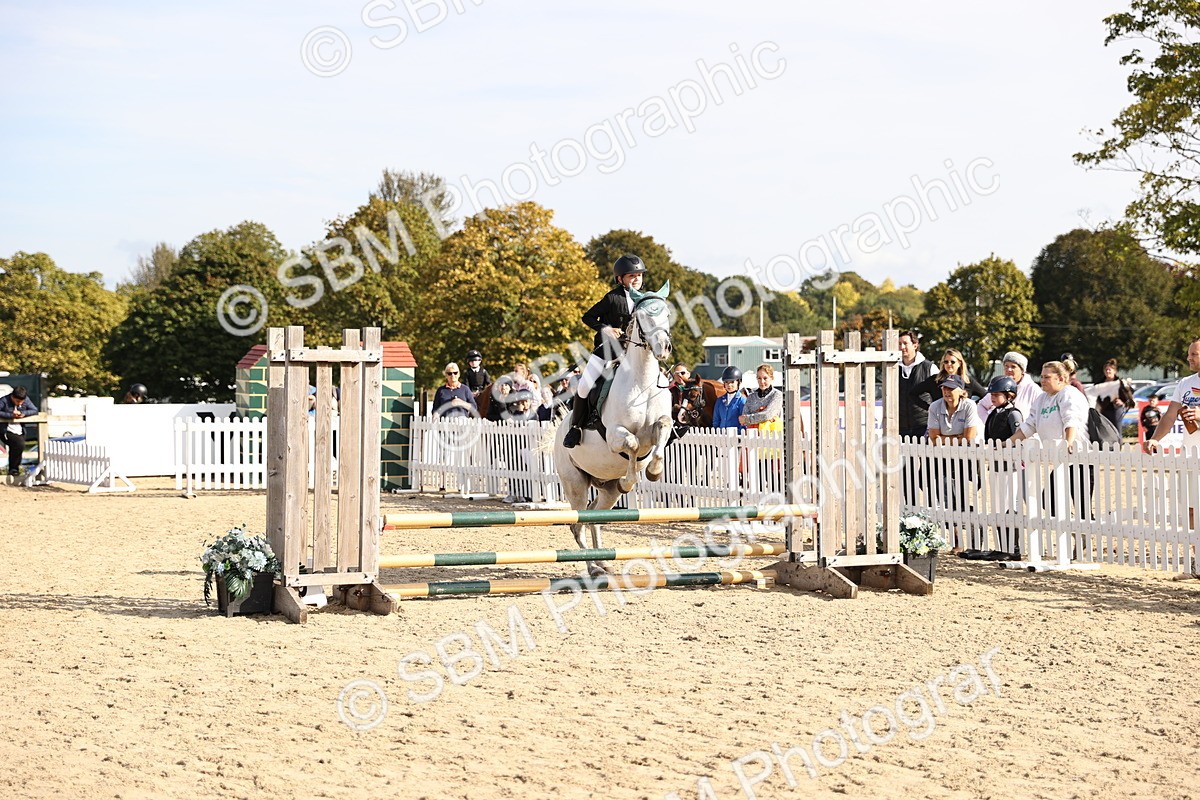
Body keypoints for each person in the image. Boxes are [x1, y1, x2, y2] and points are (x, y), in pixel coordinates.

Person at [564, 254, 646, 448]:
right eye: (631, 276)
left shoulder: (646, 300)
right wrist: (606, 329)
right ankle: (575, 427)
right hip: (608, 351)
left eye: (639, 275)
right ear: (620, 279)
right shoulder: (612, 298)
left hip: (636, 353)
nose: (636, 279)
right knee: (584, 386)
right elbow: (588, 317)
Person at [1007, 361, 1091, 522]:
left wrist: (1068, 441)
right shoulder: (1042, 399)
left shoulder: (1068, 394)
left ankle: (1083, 541)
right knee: (1049, 499)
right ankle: (1070, 529)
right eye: (1041, 376)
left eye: (1047, 377)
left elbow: (1071, 419)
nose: (1042, 380)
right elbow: (1029, 425)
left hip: (1078, 458)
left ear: (1060, 378)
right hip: (1060, 460)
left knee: (1081, 505)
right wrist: (1008, 442)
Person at [926, 374, 982, 551]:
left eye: (951, 388)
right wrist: (956, 437)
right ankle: (957, 540)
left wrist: (947, 438)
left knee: (962, 499)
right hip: (943, 459)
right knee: (947, 499)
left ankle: (974, 530)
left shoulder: (969, 406)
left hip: (967, 458)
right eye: (944, 387)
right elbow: (934, 438)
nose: (946, 391)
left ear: (961, 391)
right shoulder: (935, 406)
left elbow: (969, 438)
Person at [983, 375, 1024, 557]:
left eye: (997, 394)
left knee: (1009, 505)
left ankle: (1013, 548)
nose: (992, 397)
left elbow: (1018, 438)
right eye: (992, 394)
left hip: (1011, 467)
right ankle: (1002, 546)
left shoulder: (1013, 414)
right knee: (998, 506)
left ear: (1009, 395)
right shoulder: (993, 413)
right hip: (996, 465)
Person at [1147, 338, 1200, 455]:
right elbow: (1170, 416)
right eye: (1188, 354)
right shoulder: (1185, 383)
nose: (1188, 358)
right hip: (1188, 456)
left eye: (1194, 354)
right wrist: (1155, 439)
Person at [977, 351, 1042, 420]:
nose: (1009, 370)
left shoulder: (1033, 389)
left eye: (1013, 367)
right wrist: (988, 422)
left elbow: (1041, 414)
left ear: (1022, 370)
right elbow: (981, 405)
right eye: (1006, 366)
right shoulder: (999, 385)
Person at [897, 330, 936, 439]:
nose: (901, 347)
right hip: (900, 427)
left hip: (923, 425)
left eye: (905, 343)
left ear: (915, 345)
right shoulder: (893, 369)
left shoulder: (930, 368)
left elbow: (938, 397)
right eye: (899, 344)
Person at [915, 348, 988, 404]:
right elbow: (913, 393)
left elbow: (986, 396)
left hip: (962, 421)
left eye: (952, 362)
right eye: (946, 362)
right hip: (940, 421)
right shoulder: (935, 379)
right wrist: (930, 407)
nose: (949, 364)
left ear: (959, 363)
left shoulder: (967, 381)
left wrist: (972, 406)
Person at [0, 386, 38, 477]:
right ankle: (14, 469)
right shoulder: (3, 400)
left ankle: (13, 470)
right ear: (12, 397)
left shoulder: (26, 400)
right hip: (5, 430)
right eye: (17, 401)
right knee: (19, 444)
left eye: (22, 402)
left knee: (18, 448)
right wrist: (10, 415)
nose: (20, 403)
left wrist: (23, 414)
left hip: (20, 430)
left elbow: (34, 410)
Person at [739, 364, 783, 433]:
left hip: (772, 436)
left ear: (771, 378)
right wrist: (761, 415)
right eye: (759, 378)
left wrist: (750, 417)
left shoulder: (777, 395)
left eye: (765, 378)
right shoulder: (751, 397)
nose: (762, 381)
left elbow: (767, 415)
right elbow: (743, 419)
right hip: (753, 437)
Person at [1095, 358, 1135, 430]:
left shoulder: (1120, 383)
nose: (1107, 371)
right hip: (1102, 410)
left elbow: (1129, 394)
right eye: (1106, 369)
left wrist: (1122, 402)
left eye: (1109, 369)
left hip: (1115, 410)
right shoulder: (1099, 383)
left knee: (1116, 430)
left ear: (1114, 371)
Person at [712, 366, 746, 431]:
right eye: (726, 382)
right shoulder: (719, 401)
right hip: (721, 436)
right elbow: (716, 420)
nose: (729, 385)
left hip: (735, 437)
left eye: (732, 382)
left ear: (739, 382)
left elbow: (743, 423)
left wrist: (738, 436)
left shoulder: (742, 401)